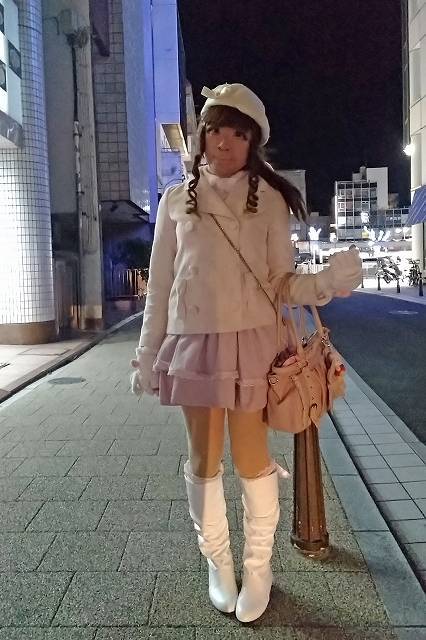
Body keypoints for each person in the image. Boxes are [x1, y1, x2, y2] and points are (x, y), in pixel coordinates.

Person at [131, 83, 362, 622]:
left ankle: (259, 567)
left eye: (239, 133)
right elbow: (160, 286)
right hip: (194, 343)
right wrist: (147, 355)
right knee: (203, 459)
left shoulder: (270, 199)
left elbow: (281, 282)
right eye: (216, 129)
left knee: (253, 460)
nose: (225, 142)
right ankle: (218, 562)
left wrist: (325, 282)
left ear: (253, 141)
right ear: (202, 135)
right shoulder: (175, 200)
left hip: (255, 342)